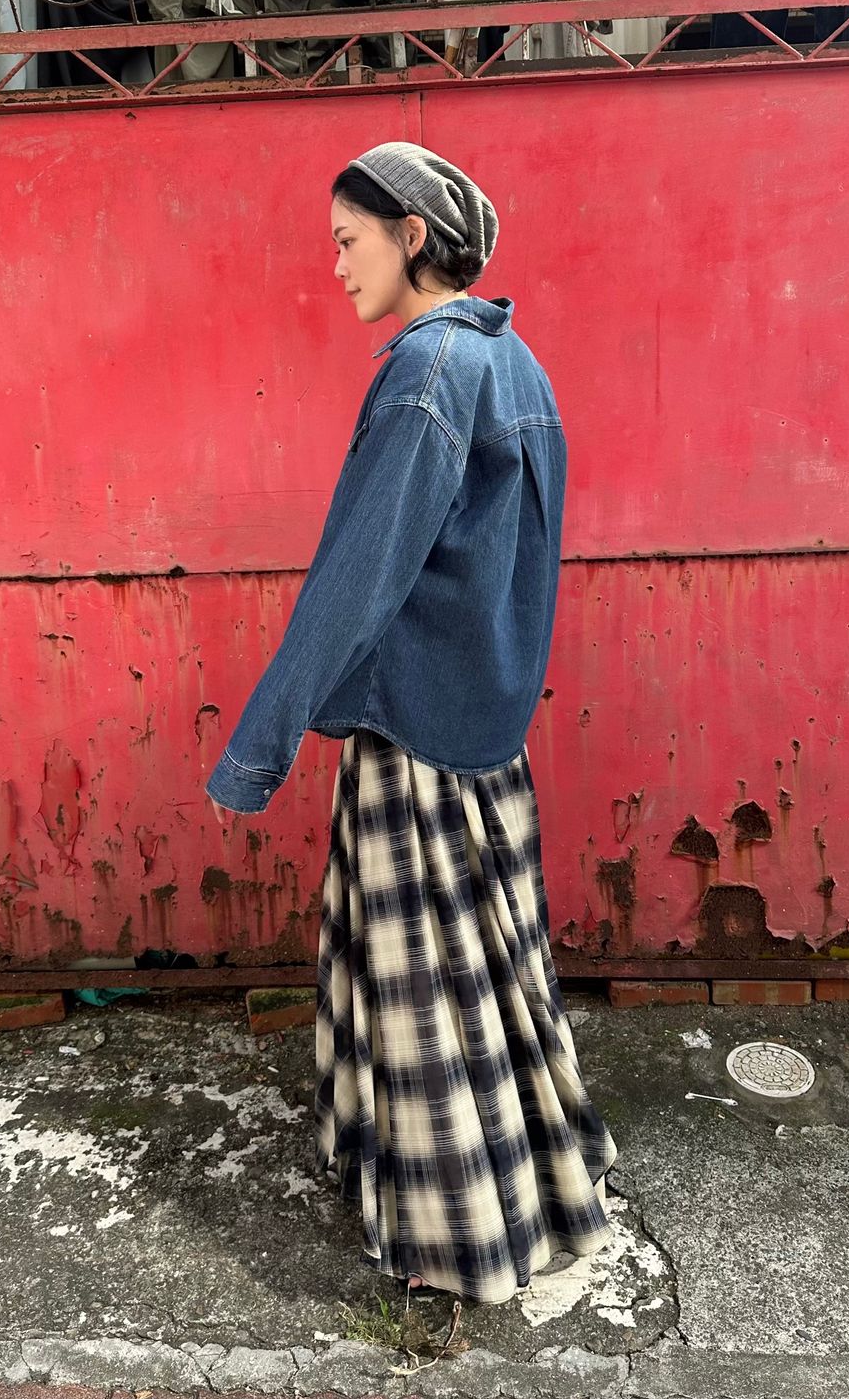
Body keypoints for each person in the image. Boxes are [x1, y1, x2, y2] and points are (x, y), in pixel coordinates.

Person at [205, 141, 618, 1305]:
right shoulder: (513, 362)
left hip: (417, 737)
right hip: (484, 731)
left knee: (432, 998)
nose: (336, 266)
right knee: (495, 974)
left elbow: (354, 583)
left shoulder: (424, 375)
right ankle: (545, 1175)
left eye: (349, 241)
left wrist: (255, 751)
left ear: (413, 237)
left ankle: (463, 1239)